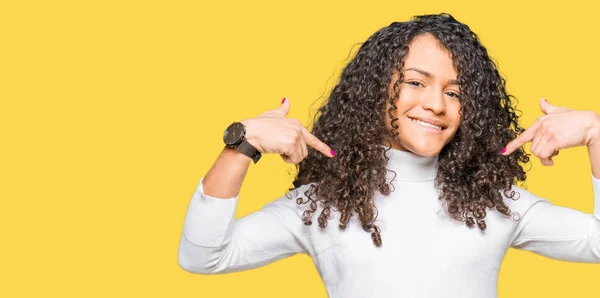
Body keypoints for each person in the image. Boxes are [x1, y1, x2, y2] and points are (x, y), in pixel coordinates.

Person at [178, 13, 600, 297]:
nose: (436, 104)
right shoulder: (323, 204)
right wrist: (242, 143)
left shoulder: (493, 203)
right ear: (376, 89)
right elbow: (203, 255)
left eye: (454, 92)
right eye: (416, 83)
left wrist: (598, 135)